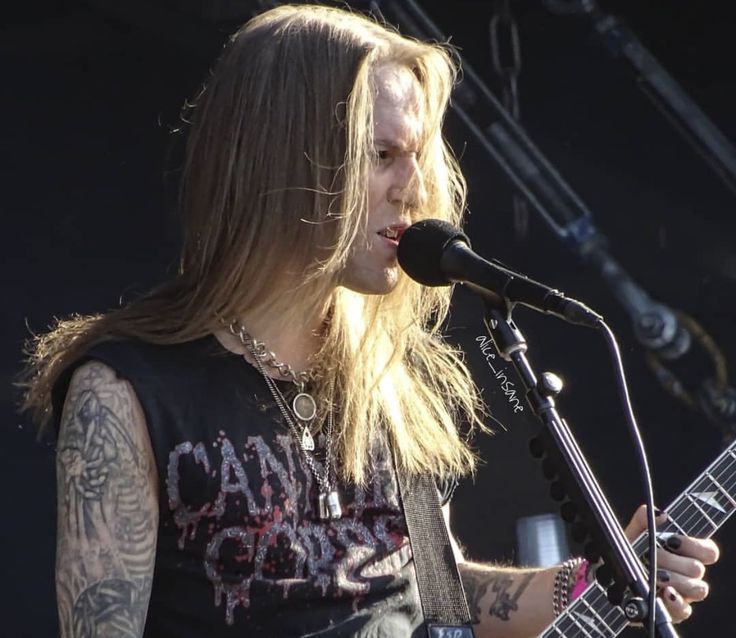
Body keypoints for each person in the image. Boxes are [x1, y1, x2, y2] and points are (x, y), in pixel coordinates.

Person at [21, 4, 719, 637]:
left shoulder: (387, 382)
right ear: (282, 162)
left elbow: (436, 596)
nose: (414, 190)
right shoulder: (127, 392)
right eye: (382, 155)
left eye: (416, 157)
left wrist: (595, 580)